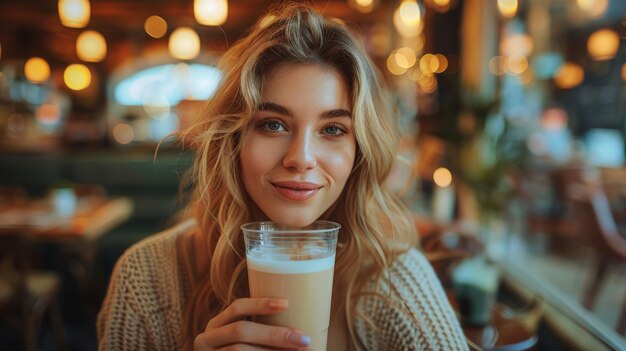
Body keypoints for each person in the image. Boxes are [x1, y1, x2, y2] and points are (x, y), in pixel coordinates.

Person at [97, 2, 468, 350]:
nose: (301, 158)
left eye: (334, 129)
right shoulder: (146, 277)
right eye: (273, 124)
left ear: (360, 151)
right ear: (234, 137)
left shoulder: (395, 278)